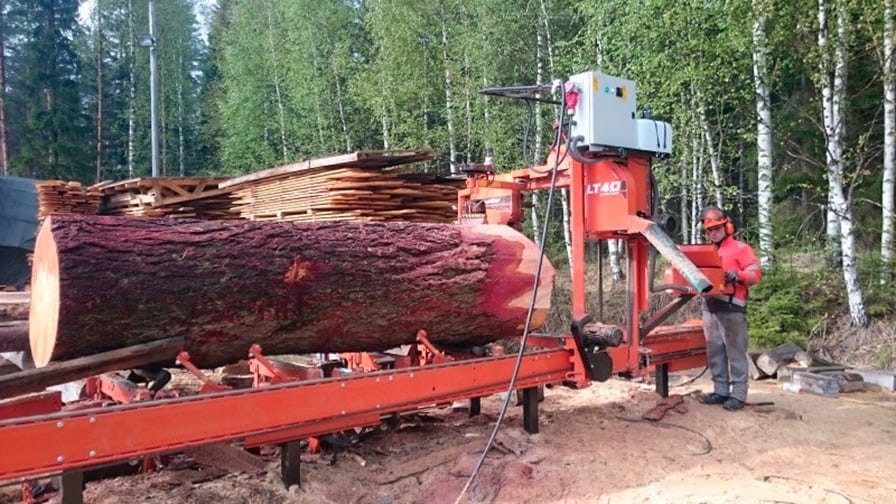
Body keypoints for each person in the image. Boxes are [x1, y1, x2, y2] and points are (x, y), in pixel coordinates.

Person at [697, 206, 762, 411]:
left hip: (732, 308)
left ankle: (738, 395)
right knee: (715, 352)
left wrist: (738, 275)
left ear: (727, 226)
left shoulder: (740, 248)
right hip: (711, 307)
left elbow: (755, 275)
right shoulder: (707, 251)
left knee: (735, 353)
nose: (713, 232)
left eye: (717, 228)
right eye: (710, 230)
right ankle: (720, 391)